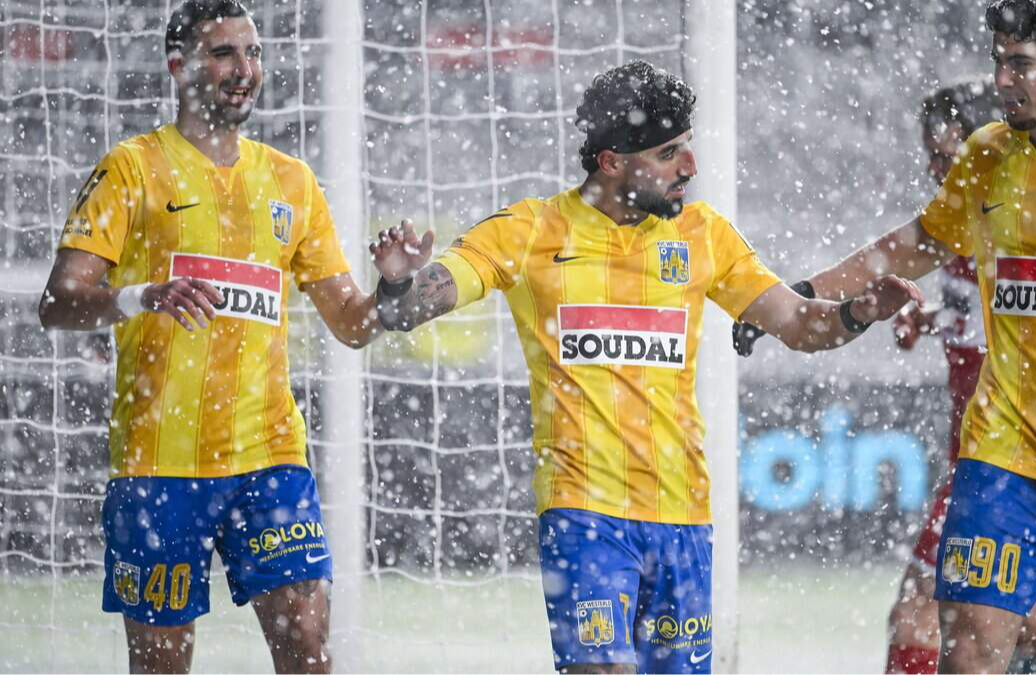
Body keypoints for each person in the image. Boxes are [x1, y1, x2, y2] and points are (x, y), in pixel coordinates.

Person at [366, 60, 921, 674]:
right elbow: (421, 301)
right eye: (668, 153)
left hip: (681, 517)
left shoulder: (705, 236)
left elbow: (795, 323)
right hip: (583, 511)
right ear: (611, 162)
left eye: (687, 146)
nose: (690, 167)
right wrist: (398, 285)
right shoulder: (529, 231)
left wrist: (857, 311)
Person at [735, 1, 1036, 672]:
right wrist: (802, 293)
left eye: (1021, 64)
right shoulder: (988, 154)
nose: (1003, 79)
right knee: (968, 652)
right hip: (1002, 454)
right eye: (998, 61)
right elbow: (915, 243)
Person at [38, 2, 409, 673]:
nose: (244, 69)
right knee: (161, 666)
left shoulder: (292, 182)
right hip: (160, 466)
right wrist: (139, 295)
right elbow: (58, 301)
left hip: (269, 457)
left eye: (253, 52)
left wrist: (393, 288)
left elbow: (352, 324)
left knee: (308, 650)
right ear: (178, 67)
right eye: (223, 54)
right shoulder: (132, 168)